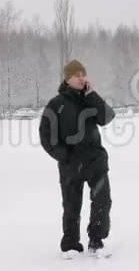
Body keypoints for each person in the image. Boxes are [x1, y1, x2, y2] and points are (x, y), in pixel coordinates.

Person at [39, 59, 116, 256]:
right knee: (71, 207)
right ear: (67, 79)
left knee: (102, 201)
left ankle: (96, 241)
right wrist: (64, 156)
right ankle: (71, 246)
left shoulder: (89, 99)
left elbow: (107, 117)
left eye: (83, 74)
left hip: (95, 161)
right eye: (77, 75)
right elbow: (46, 136)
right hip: (70, 165)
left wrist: (92, 95)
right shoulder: (56, 104)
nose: (82, 78)